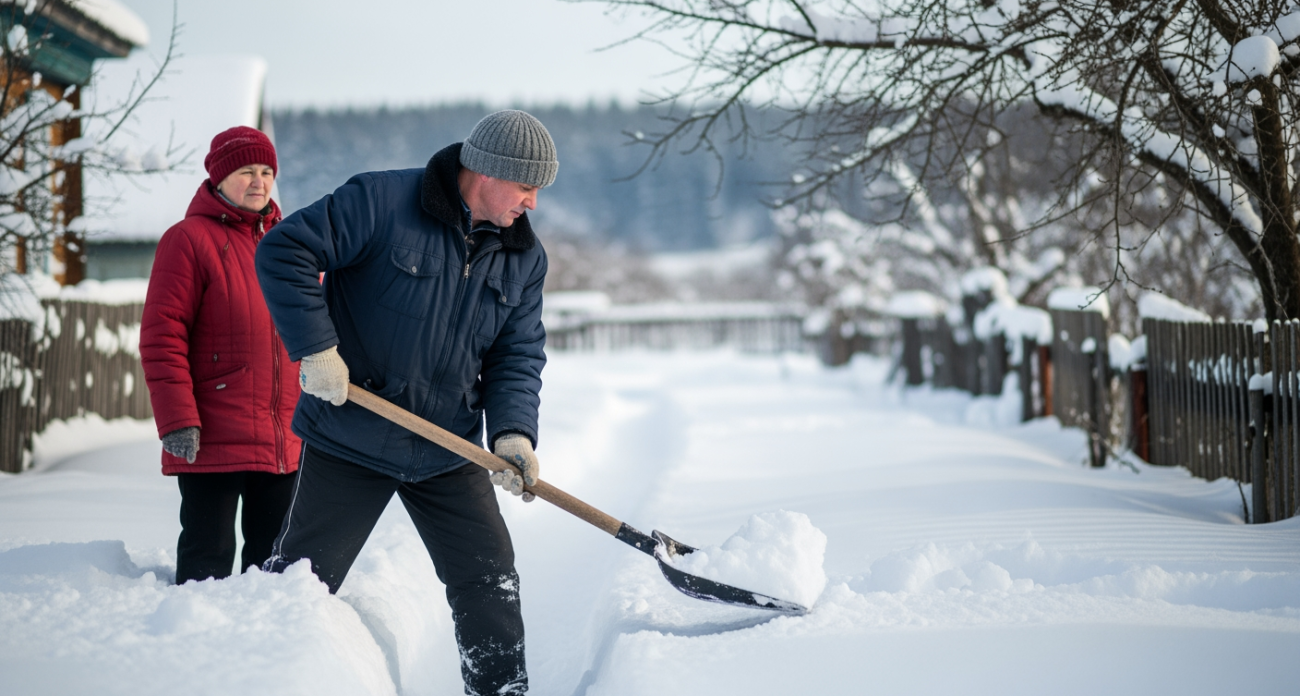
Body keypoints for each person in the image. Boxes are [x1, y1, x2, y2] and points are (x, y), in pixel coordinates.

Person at [254, 110, 557, 696]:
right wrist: (317, 349)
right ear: (488, 171)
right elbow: (284, 251)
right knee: (300, 586)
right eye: (527, 187)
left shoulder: (524, 257)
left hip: (447, 447)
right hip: (352, 434)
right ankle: (266, 679)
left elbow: (518, 353)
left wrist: (513, 434)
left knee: (489, 581)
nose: (534, 204)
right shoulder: (381, 201)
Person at [140, 126, 302, 585]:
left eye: (267, 171)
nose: (259, 182)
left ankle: (271, 649)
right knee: (206, 559)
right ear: (218, 177)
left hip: (282, 433)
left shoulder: (287, 242)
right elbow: (162, 334)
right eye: (246, 171)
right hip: (212, 431)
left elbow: (315, 318)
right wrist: (176, 420)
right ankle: (196, 644)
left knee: (273, 564)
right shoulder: (188, 239)